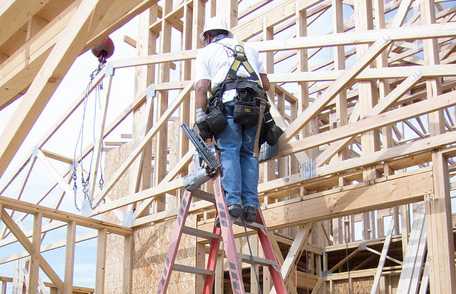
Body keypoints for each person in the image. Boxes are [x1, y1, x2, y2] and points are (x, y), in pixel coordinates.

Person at [194, 18, 270, 222]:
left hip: (229, 103)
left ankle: (234, 202)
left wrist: (201, 117)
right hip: (255, 106)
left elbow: (201, 87)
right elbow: (266, 84)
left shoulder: (207, 52)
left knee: (230, 150)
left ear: (209, 36)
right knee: (249, 154)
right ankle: (251, 206)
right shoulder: (250, 49)